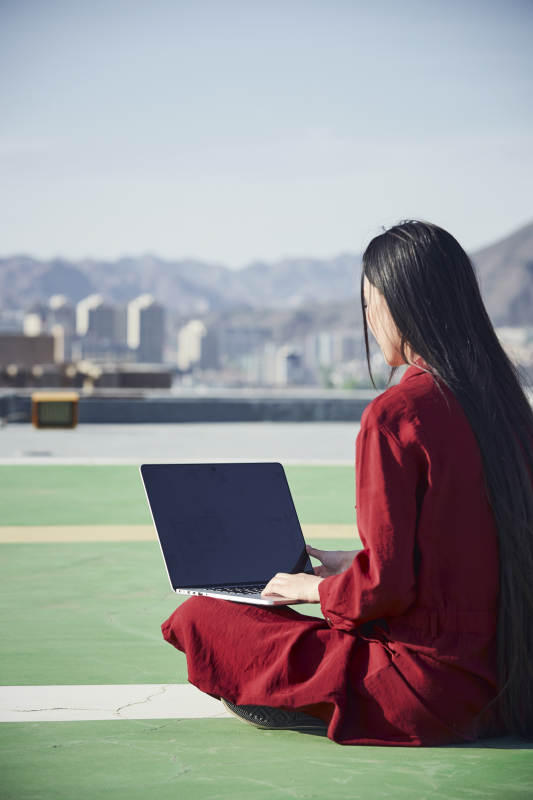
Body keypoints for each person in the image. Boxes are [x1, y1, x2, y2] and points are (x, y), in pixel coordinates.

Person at [161, 220, 533, 746]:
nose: (369, 319)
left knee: (206, 616)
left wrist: (317, 589)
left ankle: (312, 701)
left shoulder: (396, 415)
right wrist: (350, 564)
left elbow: (386, 588)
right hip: (512, 681)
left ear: (399, 305)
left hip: (430, 691)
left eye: (368, 303)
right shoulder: (510, 409)